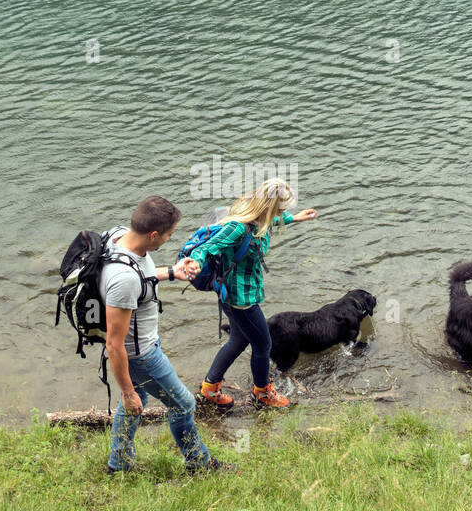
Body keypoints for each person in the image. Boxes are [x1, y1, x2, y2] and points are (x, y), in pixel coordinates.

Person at [103, 196, 230, 474]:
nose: (168, 240)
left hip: (140, 348)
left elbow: (142, 277)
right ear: (153, 234)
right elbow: (114, 344)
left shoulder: (119, 236)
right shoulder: (122, 280)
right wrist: (125, 390)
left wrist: (173, 272)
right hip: (141, 354)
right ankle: (200, 464)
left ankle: (118, 465)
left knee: (139, 402)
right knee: (183, 404)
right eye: (169, 235)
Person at [187, 178, 317, 410]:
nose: (283, 213)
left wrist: (294, 218)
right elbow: (204, 249)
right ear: (268, 207)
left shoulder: (259, 220)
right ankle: (262, 393)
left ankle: (209, 388)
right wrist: (194, 263)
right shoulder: (237, 227)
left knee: (238, 340)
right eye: (281, 209)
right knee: (263, 345)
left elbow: (271, 221)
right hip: (240, 300)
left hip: (238, 294)